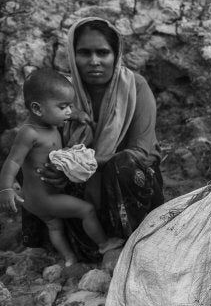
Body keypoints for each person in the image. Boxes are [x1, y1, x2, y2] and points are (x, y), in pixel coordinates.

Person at [30, 17, 164, 262]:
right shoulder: (60, 92)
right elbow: (40, 135)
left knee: (125, 164)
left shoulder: (135, 86)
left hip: (129, 187)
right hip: (80, 191)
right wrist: (56, 168)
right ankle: (53, 247)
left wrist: (82, 165)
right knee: (28, 157)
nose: (94, 61)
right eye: (84, 53)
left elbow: (142, 151)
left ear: (116, 54)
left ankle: (136, 244)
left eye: (103, 52)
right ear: (73, 55)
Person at [0, 69, 124, 265]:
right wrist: (6, 187)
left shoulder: (48, 123)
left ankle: (68, 258)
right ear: (38, 109)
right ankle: (104, 244)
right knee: (87, 210)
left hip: (38, 198)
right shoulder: (29, 133)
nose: (68, 111)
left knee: (54, 226)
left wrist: (77, 114)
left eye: (70, 106)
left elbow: (66, 113)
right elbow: (12, 161)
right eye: (63, 107)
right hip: (43, 198)